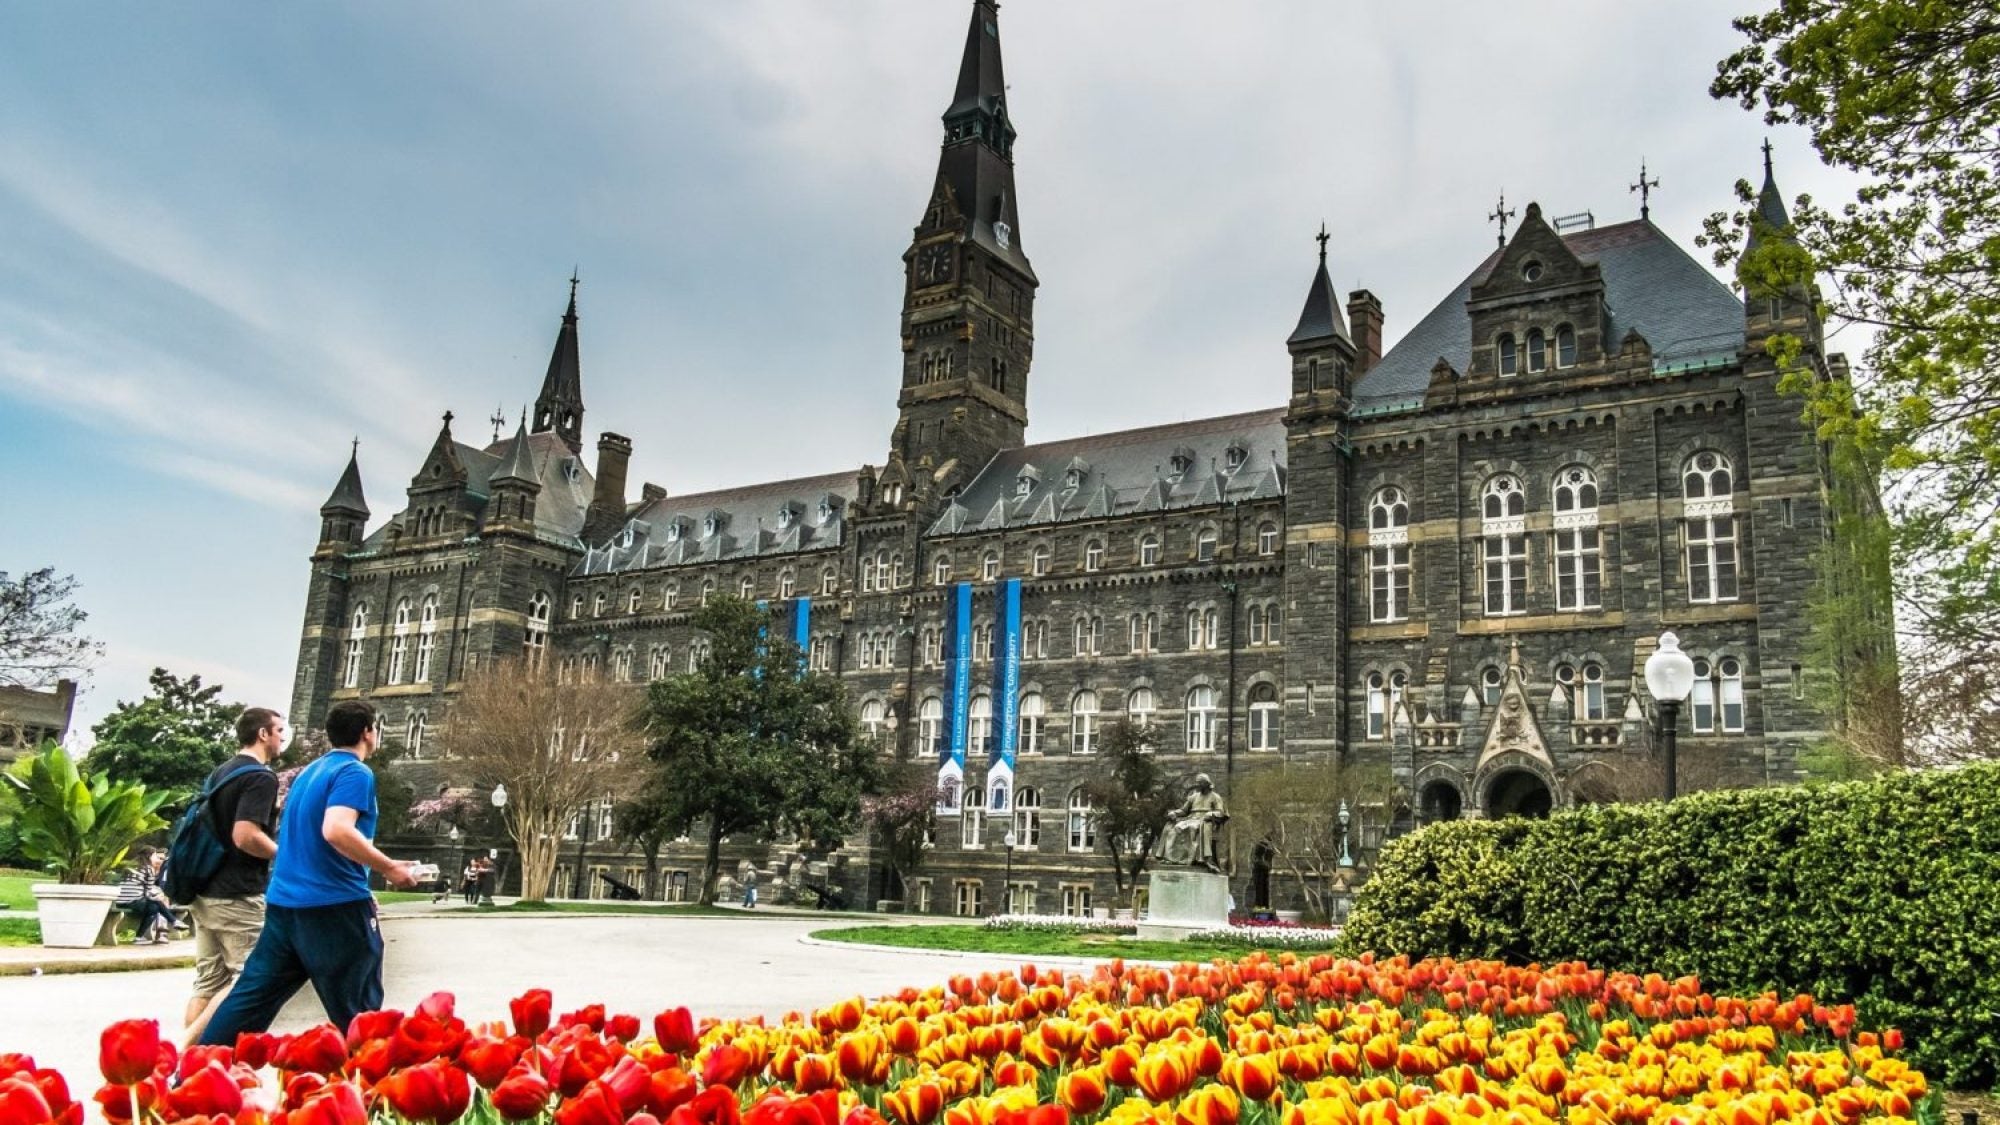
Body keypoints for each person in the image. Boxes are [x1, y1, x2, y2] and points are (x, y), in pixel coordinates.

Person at [197, 700, 421, 1045]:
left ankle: (193, 1078)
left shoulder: (308, 773)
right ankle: (374, 1091)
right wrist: (390, 868)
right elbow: (336, 829)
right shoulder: (354, 772)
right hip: (334, 906)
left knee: (249, 1002)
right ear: (367, 732)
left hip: (285, 906)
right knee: (360, 1014)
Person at [182, 707, 285, 1045]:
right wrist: (284, 855)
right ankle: (188, 1053)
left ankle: (192, 1065)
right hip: (236, 894)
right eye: (279, 731)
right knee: (249, 978)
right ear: (263, 735)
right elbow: (245, 835)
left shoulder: (221, 772)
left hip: (204, 888)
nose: (282, 737)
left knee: (208, 981)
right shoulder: (260, 776)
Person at [1164, 773, 1229, 872]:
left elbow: (1220, 812)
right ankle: (1175, 858)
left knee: (1193, 828)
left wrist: (1210, 814)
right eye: (1197, 783)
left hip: (1205, 820)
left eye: (1200, 783)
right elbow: (1184, 810)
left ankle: (1199, 859)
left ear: (1207, 783)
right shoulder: (1193, 797)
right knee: (1175, 828)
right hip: (1191, 818)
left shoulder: (1215, 797)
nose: (1198, 785)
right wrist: (1174, 813)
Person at [115, 847, 179, 944]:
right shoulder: (148, 869)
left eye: (162, 858)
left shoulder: (130, 867)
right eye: (156, 856)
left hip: (120, 901)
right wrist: (157, 897)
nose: (158, 859)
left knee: (155, 905)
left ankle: (169, 924)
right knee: (155, 905)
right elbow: (148, 892)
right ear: (149, 856)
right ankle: (169, 925)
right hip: (134, 901)